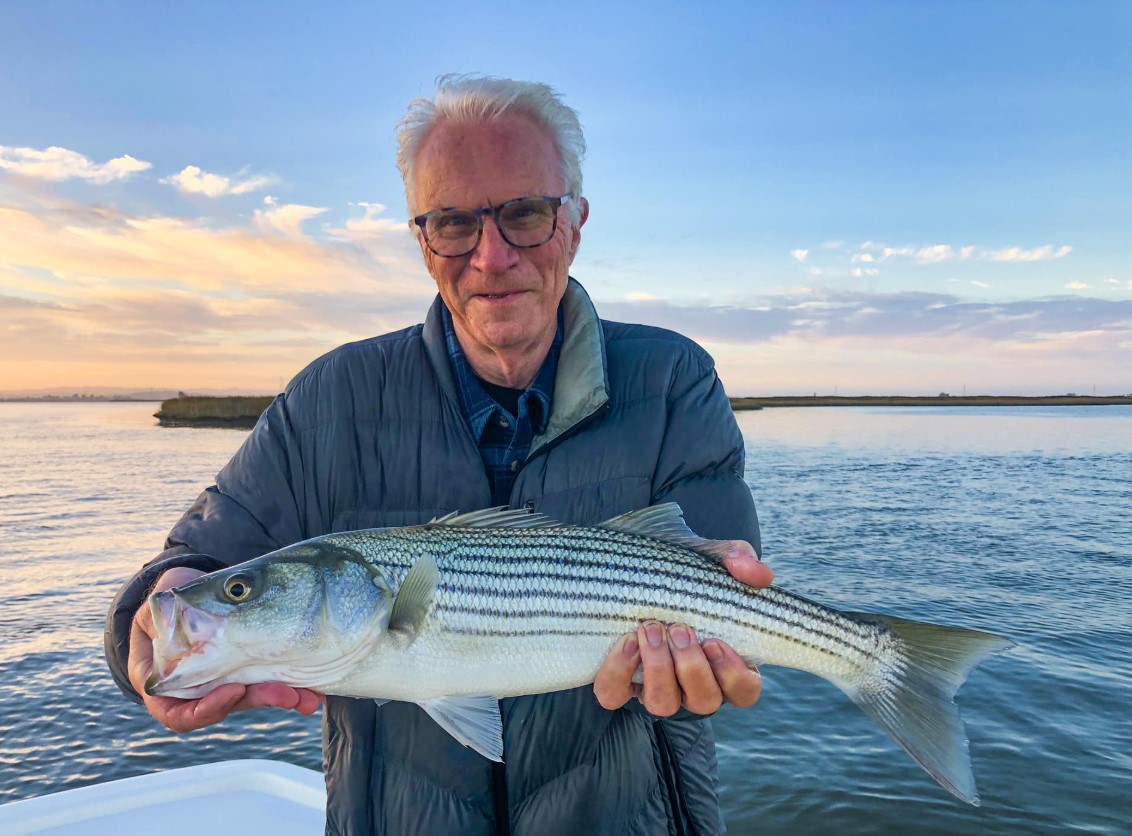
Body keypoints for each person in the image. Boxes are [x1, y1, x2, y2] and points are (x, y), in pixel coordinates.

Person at [105, 75, 773, 836]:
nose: (490, 257)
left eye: (524, 213)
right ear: (422, 241)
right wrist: (158, 609)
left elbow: (719, 577)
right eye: (453, 223)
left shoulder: (671, 377)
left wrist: (717, 650)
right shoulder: (331, 397)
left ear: (576, 221)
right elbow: (196, 560)